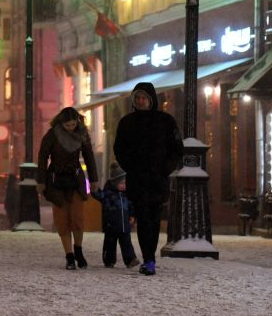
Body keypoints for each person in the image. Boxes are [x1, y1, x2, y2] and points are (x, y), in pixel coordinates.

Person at [113, 82, 183, 276]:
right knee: (143, 218)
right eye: (137, 98)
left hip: (158, 179)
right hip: (138, 178)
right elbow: (119, 149)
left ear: (151, 99)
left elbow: (177, 149)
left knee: (154, 218)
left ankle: (149, 257)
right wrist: (131, 167)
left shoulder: (166, 121)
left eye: (144, 97)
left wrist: (166, 168)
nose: (141, 101)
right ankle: (149, 259)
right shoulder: (126, 123)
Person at [37, 106, 99, 270]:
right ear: (61, 123)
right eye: (67, 126)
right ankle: (69, 256)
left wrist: (94, 179)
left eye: (73, 124)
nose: (71, 128)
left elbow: (89, 156)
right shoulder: (52, 135)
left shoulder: (82, 133)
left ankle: (78, 250)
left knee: (78, 219)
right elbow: (43, 156)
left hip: (75, 179)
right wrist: (41, 181)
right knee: (62, 220)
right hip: (56, 180)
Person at [92, 162, 139, 269]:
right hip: (111, 225)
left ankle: (130, 260)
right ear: (114, 183)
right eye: (121, 183)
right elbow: (100, 196)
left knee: (127, 243)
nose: (124, 185)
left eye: (125, 183)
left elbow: (131, 206)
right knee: (110, 244)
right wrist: (94, 190)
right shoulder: (109, 193)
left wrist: (133, 216)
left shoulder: (127, 195)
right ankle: (109, 261)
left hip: (124, 225)